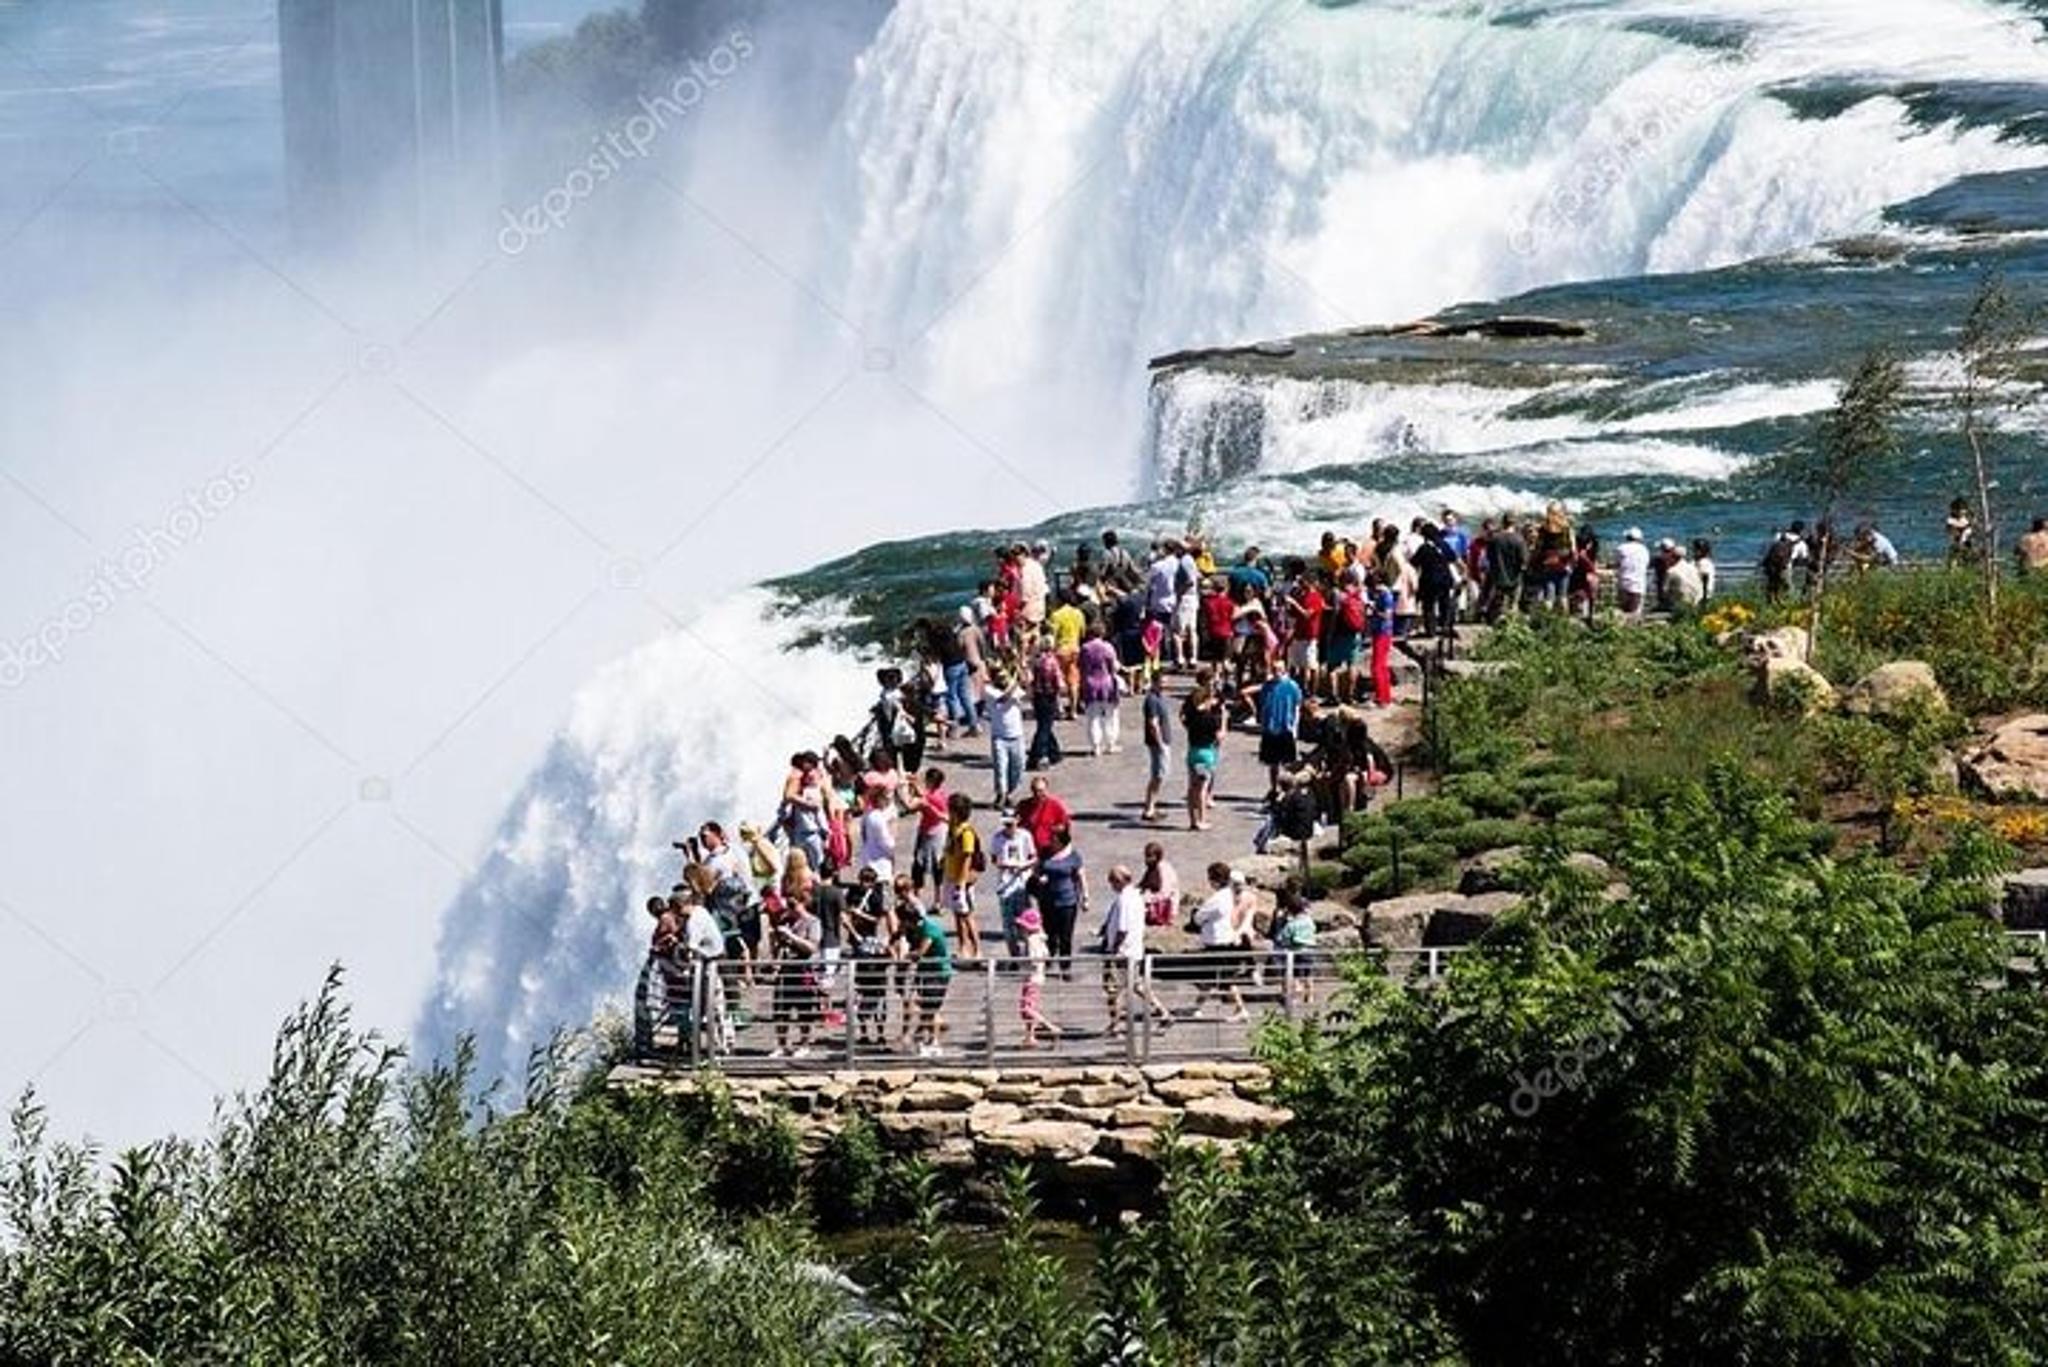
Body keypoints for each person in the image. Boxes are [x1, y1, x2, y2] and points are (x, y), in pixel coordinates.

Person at [1099, 864, 1170, 1033]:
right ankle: (1163, 1012)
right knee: (1136, 985)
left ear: (1118, 881)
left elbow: (1122, 928)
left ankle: (1115, 1024)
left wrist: (1113, 949)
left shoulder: (1124, 899)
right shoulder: (1136, 896)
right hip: (1135, 949)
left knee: (1112, 988)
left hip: (1122, 952)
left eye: (1112, 882)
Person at [1190, 862, 1250, 1022]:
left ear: (1214, 880)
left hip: (1217, 943)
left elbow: (1199, 917)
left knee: (1224, 979)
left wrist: (1197, 917)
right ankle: (1197, 1007)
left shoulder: (1217, 898)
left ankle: (1241, 1008)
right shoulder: (1228, 895)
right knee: (1212, 978)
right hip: (1224, 940)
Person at [767, 893, 823, 1059]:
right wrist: (775, 940)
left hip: (803, 970)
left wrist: (791, 936)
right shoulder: (785, 920)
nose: (789, 909)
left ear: (803, 903)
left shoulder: (813, 922)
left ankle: (804, 1044)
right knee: (780, 1010)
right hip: (785, 971)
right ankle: (782, 1045)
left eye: (793, 905)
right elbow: (777, 948)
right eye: (788, 905)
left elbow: (812, 947)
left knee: (804, 1011)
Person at [1034, 824, 1086, 978]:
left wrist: (1085, 896)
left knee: (1065, 936)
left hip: (1067, 901)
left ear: (1062, 841)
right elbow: (1036, 869)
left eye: (1054, 839)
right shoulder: (1045, 853)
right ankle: (1048, 960)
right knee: (1049, 933)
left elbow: (1081, 876)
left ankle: (1065, 967)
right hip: (1047, 899)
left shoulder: (1073, 855)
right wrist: (1039, 878)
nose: (1051, 842)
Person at [939, 790, 984, 959]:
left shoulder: (966, 833)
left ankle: (977, 950)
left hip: (961, 880)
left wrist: (962, 883)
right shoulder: (953, 827)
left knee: (967, 914)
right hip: (951, 875)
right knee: (957, 914)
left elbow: (967, 858)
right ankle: (963, 947)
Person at [907, 897, 953, 1058]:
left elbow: (920, 952)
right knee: (927, 1007)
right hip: (927, 972)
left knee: (932, 1009)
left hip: (939, 973)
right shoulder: (919, 928)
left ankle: (935, 1041)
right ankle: (925, 1039)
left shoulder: (929, 929)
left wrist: (908, 955)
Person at [1180, 671, 1225, 832]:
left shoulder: (1193, 718)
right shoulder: (1210, 719)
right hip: (1205, 754)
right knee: (1202, 788)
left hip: (1192, 752)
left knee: (1192, 787)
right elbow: (1218, 736)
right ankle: (1202, 819)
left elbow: (1184, 720)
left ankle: (1192, 819)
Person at [992, 809, 1038, 956]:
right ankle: (1014, 954)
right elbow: (995, 859)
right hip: (1006, 885)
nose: (1008, 827)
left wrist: (1025, 865)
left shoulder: (1025, 836)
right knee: (1008, 925)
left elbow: (1034, 856)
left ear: (1017, 820)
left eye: (1010, 824)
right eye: (1005, 824)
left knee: (1026, 921)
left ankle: (1029, 952)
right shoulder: (998, 838)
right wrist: (1005, 865)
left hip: (1023, 883)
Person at [1016, 906, 1062, 1047]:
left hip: (1032, 978)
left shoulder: (1031, 941)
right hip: (1037, 977)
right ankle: (1030, 1036)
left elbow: (1034, 960)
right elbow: (1046, 955)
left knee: (1027, 1009)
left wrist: (1023, 959)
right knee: (1028, 1008)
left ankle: (1050, 1027)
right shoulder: (1040, 939)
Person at [1256, 663, 1304, 792]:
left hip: (1286, 728)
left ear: (1284, 670)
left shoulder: (1292, 686)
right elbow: (1263, 705)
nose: (1276, 672)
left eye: (1279, 669)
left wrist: (1294, 728)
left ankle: (1289, 789)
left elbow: (1297, 706)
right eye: (1274, 669)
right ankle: (1273, 789)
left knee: (1288, 763)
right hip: (1270, 729)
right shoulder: (1267, 686)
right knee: (1272, 763)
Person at [985, 670, 1027, 809]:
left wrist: (1024, 678)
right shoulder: (989, 690)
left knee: (1018, 767)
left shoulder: (1014, 688)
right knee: (1001, 768)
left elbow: (1025, 695)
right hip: (999, 737)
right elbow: (1004, 699)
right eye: (1000, 678)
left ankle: (1010, 793)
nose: (1003, 680)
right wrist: (1016, 683)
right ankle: (1001, 795)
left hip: (1017, 735)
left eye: (1005, 678)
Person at [1078, 626, 1123, 756]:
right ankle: (1110, 743)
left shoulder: (1085, 648)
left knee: (1093, 717)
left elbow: (1080, 666)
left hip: (1090, 684)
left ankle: (1095, 746)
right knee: (1111, 715)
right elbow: (1114, 666)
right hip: (1107, 683)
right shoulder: (1108, 647)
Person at [908, 767, 949, 894]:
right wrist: (914, 785)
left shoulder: (931, 798)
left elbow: (911, 805)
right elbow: (923, 794)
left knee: (921, 864)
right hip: (933, 830)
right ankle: (937, 897)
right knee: (934, 865)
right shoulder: (942, 794)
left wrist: (928, 807)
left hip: (933, 833)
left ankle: (918, 892)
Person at [1140, 669, 1173, 823]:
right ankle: (1149, 808)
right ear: (1154, 682)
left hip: (1162, 741)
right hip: (1158, 743)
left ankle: (1151, 806)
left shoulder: (1159, 698)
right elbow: (1153, 723)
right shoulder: (1152, 700)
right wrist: (1160, 743)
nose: (1165, 684)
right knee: (1158, 776)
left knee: (1159, 775)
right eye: (1162, 681)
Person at [1026, 642, 1065, 771]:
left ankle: (1055, 753)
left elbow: (1029, 680)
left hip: (1037, 696)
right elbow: (1059, 683)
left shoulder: (1034, 662)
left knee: (1044, 724)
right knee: (1044, 727)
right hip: (1049, 696)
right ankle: (1038, 755)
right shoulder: (1052, 662)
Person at [1015, 774, 1071, 856]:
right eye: (1035, 791)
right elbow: (1015, 825)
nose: (1038, 794)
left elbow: (1065, 825)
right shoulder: (1023, 805)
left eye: (1041, 791)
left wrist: (1056, 830)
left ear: (1046, 790)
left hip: (1049, 849)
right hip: (1028, 849)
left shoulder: (1055, 805)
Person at [1366, 571, 1397, 708]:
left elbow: (1387, 615)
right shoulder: (1380, 594)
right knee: (1380, 665)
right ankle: (1384, 695)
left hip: (1383, 632)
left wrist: (1373, 609)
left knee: (1378, 666)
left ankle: (1381, 697)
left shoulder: (1385, 595)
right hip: (1378, 631)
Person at [856, 787, 897, 882]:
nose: (887, 802)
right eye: (886, 799)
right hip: (880, 859)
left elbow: (863, 834)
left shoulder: (867, 814)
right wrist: (892, 842)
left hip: (868, 854)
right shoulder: (879, 818)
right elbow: (886, 842)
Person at [1138, 840, 1180, 928]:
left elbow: (1165, 893)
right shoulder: (1152, 868)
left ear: (1157, 856)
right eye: (1146, 856)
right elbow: (1143, 884)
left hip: (1165, 903)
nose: (1147, 859)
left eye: (1150, 857)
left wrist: (1147, 899)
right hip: (1156, 897)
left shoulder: (1163, 870)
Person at [1616, 527, 1651, 619]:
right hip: (1639, 585)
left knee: (1623, 612)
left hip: (1624, 583)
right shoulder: (1644, 550)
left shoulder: (1621, 548)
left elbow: (1617, 563)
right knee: (1635, 615)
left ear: (1627, 537)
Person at [1946, 498, 1977, 565]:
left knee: (1968, 555)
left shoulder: (1967, 518)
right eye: (1959, 511)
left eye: (1963, 510)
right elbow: (1951, 530)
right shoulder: (1951, 520)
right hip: (1957, 542)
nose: (1961, 513)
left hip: (1967, 542)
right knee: (1955, 555)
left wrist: (1970, 525)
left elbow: (1971, 527)